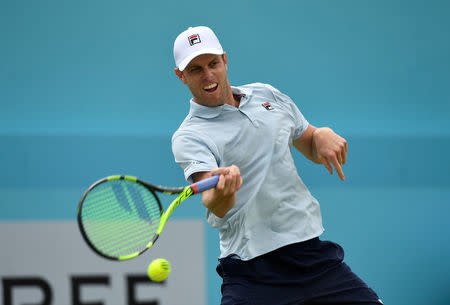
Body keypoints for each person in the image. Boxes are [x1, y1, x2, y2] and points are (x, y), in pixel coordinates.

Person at [171, 26, 382, 305]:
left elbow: (308, 142)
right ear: (181, 76)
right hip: (252, 272)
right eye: (196, 69)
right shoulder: (189, 136)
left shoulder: (266, 94)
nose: (208, 75)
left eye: (213, 64)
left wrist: (321, 135)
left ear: (225, 59)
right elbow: (213, 200)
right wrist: (223, 188)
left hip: (312, 258)